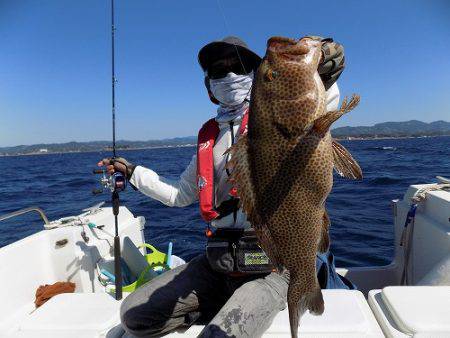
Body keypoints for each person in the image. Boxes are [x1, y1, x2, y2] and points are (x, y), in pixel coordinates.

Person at [98, 36, 353, 338]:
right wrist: (133, 173)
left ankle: (264, 298)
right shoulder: (209, 139)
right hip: (218, 265)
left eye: (242, 66)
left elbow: (313, 102)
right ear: (209, 87)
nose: (230, 76)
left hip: (271, 266)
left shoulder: (273, 115)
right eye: (219, 71)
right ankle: (223, 304)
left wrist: (325, 71)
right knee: (134, 317)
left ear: (257, 76)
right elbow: (180, 194)